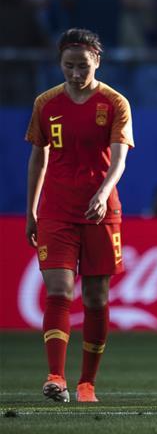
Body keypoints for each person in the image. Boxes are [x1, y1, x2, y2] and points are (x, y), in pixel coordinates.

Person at [25, 28, 133, 403]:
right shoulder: (46, 104)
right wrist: (32, 210)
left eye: (82, 66)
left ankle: (87, 382)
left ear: (97, 61)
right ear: (59, 63)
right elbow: (38, 157)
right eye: (68, 66)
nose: (74, 73)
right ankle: (56, 377)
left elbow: (119, 157)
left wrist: (103, 193)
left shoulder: (115, 102)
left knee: (96, 298)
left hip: (101, 211)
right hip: (56, 211)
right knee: (58, 291)